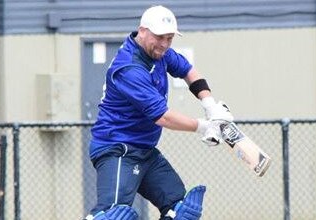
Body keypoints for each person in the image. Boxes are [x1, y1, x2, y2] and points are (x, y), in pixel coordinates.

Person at [84, 5, 233, 220]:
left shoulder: (161, 54)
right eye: (160, 37)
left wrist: (210, 105)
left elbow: (188, 71)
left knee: (182, 210)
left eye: (170, 38)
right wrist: (204, 126)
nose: (164, 44)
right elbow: (162, 116)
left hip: (145, 150)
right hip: (117, 148)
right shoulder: (130, 68)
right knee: (112, 215)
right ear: (142, 31)